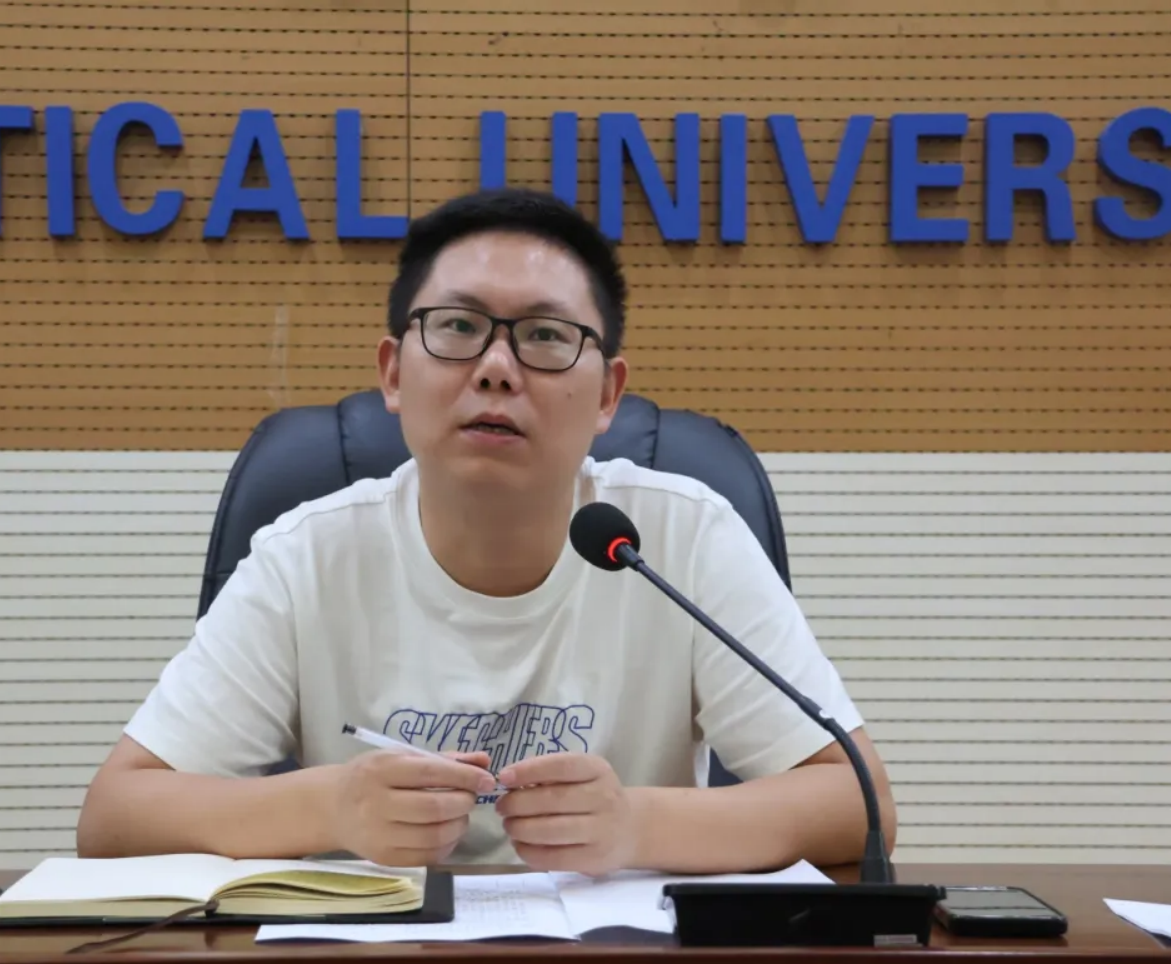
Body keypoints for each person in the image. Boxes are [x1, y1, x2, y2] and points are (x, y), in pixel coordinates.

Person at [77, 186, 896, 876]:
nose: (497, 368)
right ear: (394, 373)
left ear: (607, 396)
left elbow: (859, 805)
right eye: (459, 328)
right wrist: (332, 806)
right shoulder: (306, 557)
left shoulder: (683, 539)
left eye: (545, 336)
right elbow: (116, 817)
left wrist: (635, 825)